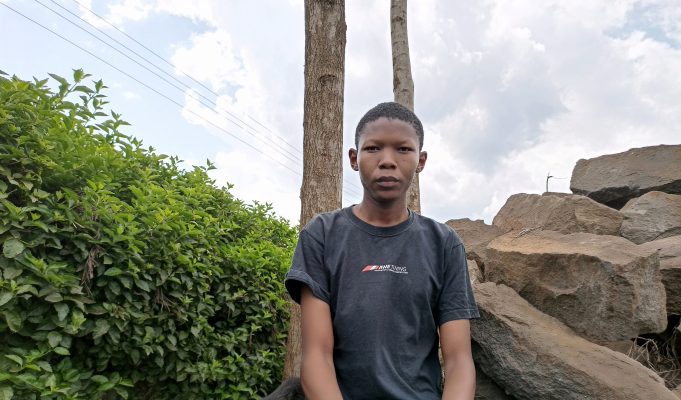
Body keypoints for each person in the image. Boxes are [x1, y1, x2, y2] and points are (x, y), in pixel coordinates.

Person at [284, 102, 479, 399]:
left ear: (421, 161)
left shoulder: (443, 243)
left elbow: (459, 361)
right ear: (354, 158)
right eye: (373, 148)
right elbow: (316, 356)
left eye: (403, 149)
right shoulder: (321, 235)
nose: (387, 161)